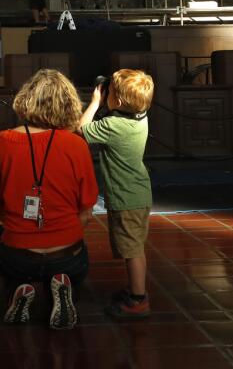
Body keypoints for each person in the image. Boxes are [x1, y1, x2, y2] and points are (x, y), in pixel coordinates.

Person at [0, 69, 98, 329]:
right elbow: (86, 212)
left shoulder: (2, 142)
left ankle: (19, 286)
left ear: (25, 100)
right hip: (67, 253)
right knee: (76, 254)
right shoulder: (76, 144)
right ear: (69, 103)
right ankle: (63, 283)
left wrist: (24, 226)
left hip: (19, 254)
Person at [78, 69, 155, 319]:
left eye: (109, 91)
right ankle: (135, 289)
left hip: (126, 198)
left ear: (118, 102)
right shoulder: (140, 116)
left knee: (131, 250)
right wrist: (110, 96)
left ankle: (138, 299)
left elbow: (81, 129)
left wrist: (95, 103)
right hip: (139, 193)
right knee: (136, 247)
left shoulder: (114, 125)